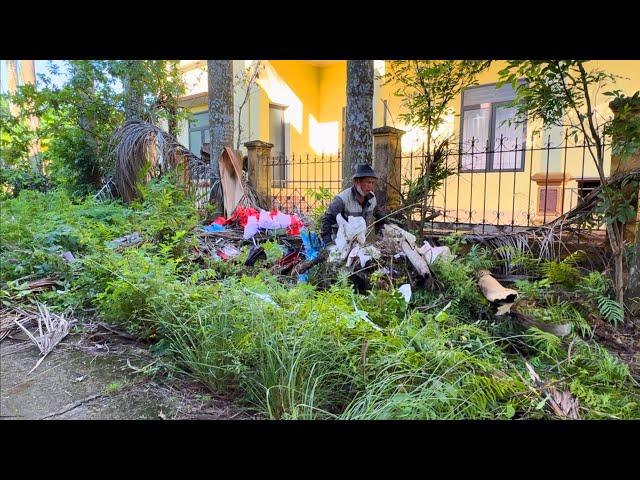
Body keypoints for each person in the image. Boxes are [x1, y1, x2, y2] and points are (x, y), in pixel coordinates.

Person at [321, 164, 386, 246]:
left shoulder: (371, 198)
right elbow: (326, 220)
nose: (370, 186)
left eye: (372, 183)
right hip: (340, 243)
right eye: (368, 182)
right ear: (357, 182)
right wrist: (328, 244)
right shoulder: (342, 199)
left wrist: (384, 230)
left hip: (359, 242)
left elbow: (379, 216)